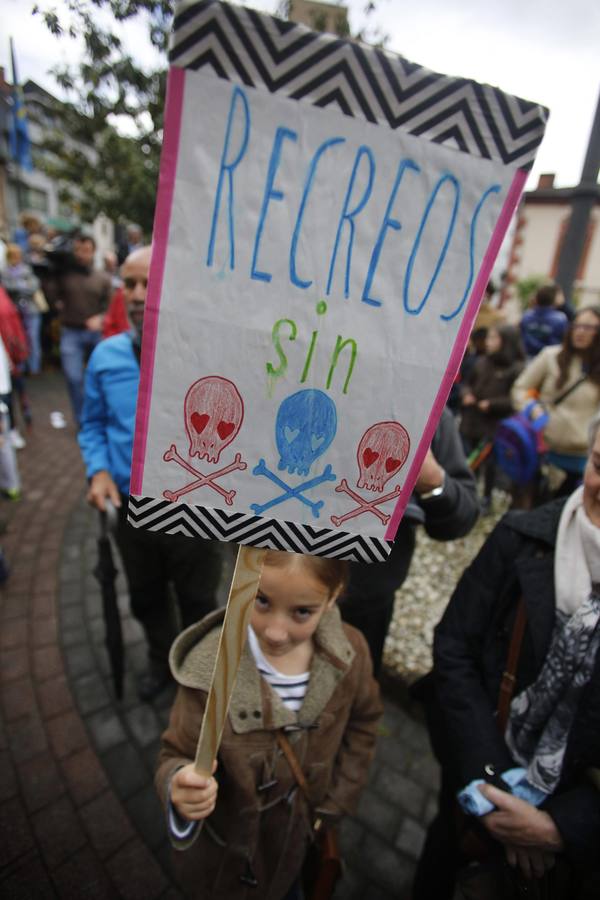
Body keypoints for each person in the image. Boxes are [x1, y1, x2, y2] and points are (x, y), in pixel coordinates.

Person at [411, 413, 600, 899]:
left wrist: (564, 827)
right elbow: (455, 647)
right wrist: (493, 783)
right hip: (475, 782)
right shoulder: (522, 535)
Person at [155, 550, 383, 899]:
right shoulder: (208, 672)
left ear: (334, 595)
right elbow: (175, 752)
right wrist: (179, 785)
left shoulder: (351, 652)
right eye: (260, 601)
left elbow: (364, 722)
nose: (276, 633)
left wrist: (338, 801)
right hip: (227, 868)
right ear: (238, 579)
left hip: (298, 846)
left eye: (302, 612)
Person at [78, 245, 223, 701]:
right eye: (130, 284)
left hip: (193, 509)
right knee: (145, 597)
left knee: (198, 600)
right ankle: (161, 663)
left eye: (150, 281)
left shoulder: (205, 356)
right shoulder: (105, 358)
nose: (138, 294)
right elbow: (93, 424)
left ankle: (198, 675)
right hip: (131, 510)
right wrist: (98, 470)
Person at [341, 406, 480, 676]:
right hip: (272, 586)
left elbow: (462, 517)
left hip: (363, 603)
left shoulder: (432, 412)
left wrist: (432, 480)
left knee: (348, 700)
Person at [511, 305, 600, 497]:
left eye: (589, 327)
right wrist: (531, 408)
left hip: (580, 460)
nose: (581, 332)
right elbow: (520, 388)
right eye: (577, 325)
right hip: (542, 451)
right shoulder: (551, 356)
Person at [47, 233, 112, 425]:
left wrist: (101, 318)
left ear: (93, 252)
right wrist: (51, 274)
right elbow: (51, 298)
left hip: (95, 334)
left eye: (86, 250)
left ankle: (100, 417)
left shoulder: (102, 277)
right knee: (74, 377)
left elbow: (111, 307)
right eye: (77, 250)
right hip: (71, 332)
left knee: (99, 378)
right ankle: (82, 420)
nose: (81, 254)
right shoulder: (64, 275)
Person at [460, 324, 525, 511]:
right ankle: (468, 494)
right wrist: (467, 394)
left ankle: (486, 498)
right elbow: (467, 382)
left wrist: (492, 404)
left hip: (493, 425)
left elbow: (515, 399)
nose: (489, 342)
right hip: (472, 421)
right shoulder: (481, 362)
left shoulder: (516, 369)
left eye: (494, 338)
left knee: (489, 464)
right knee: (469, 460)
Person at [2, 242, 43, 375]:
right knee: (19, 338)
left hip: (30, 310)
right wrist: (23, 286)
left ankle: (34, 367)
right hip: (15, 311)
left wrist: (19, 287)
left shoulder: (26, 269)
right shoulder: (5, 272)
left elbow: (34, 286)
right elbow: (9, 288)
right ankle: (21, 366)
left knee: (33, 338)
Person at [520, 284, 568, 359]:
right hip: (548, 358)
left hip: (527, 356)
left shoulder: (527, 315)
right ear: (554, 298)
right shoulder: (560, 318)